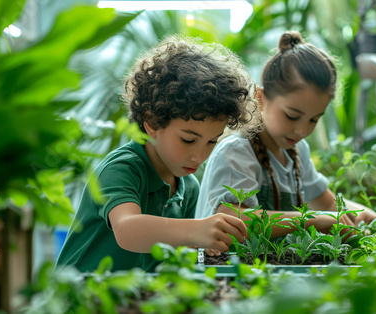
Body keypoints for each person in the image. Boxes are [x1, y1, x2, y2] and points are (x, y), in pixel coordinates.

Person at [56, 35, 256, 272]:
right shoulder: (122, 168)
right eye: (188, 139)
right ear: (152, 122)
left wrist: (195, 246)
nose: (199, 156)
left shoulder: (188, 186)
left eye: (212, 141)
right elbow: (128, 230)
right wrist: (196, 230)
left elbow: (169, 252)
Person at [195, 31, 376, 255]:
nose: (303, 130)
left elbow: (329, 205)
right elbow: (236, 218)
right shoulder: (237, 152)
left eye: (314, 119)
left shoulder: (296, 150)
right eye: (292, 116)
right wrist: (312, 219)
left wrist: (375, 220)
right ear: (261, 98)